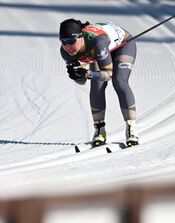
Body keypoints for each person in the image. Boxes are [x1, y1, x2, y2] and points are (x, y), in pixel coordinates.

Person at [59, 18, 139, 147]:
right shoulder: (65, 52)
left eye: (71, 41)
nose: (67, 46)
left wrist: (88, 73)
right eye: (63, 42)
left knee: (119, 81)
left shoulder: (98, 43)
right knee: (96, 84)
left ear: (80, 37)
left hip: (122, 45)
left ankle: (131, 129)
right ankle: (99, 129)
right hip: (97, 53)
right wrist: (77, 75)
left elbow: (108, 74)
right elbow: (82, 81)